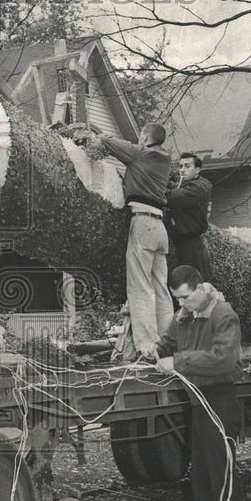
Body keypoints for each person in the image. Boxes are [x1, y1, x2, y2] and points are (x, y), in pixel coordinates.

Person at [155, 265, 251, 501]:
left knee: (223, 487)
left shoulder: (223, 314)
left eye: (185, 296)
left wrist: (179, 362)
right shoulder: (183, 317)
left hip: (220, 402)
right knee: (202, 489)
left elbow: (224, 360)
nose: (181, 303)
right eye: (177, 298)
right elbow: (169, 344)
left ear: (200, 289)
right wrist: (154, 351)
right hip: (198, 405)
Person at [90, 122, 175, 357]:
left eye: (140, 136)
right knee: (160, 287)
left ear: (146, 137)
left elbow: (109, 142)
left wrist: (93, 130)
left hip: (143, 223)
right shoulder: (164, 160)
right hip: (160, 228)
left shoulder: (142, 153)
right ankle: (168, 341)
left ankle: (147, 346)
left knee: (140, 286)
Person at [166, 152, 212, 280]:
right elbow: (176, 188)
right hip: (186, 243)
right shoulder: (193, 184)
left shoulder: (197, 187)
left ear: (197, 170)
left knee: (193, 286)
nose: (182, 170)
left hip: (191, 246)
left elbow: (172, 197)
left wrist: (154, 183)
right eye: (180, 166)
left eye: (187, 166)